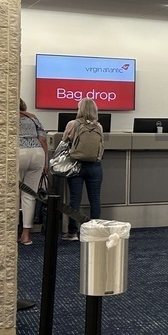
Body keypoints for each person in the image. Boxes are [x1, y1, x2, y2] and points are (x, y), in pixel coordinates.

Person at [63, 98, 104, 242]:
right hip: (95, 166)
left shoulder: (72, 124)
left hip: (76, 165)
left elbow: (64, 142)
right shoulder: (98, 126)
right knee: (95, 199)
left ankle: (72, 232)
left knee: (75, 199)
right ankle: (95, 232)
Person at [18, 99, 48, 245]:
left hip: (18, 153)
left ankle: (9, 232)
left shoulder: (6, 116)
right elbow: (43, 139)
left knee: (12, 195)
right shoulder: (33, 117)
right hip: (37, 154)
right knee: (29, 195)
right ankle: (26, 236)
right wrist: (46, 162)